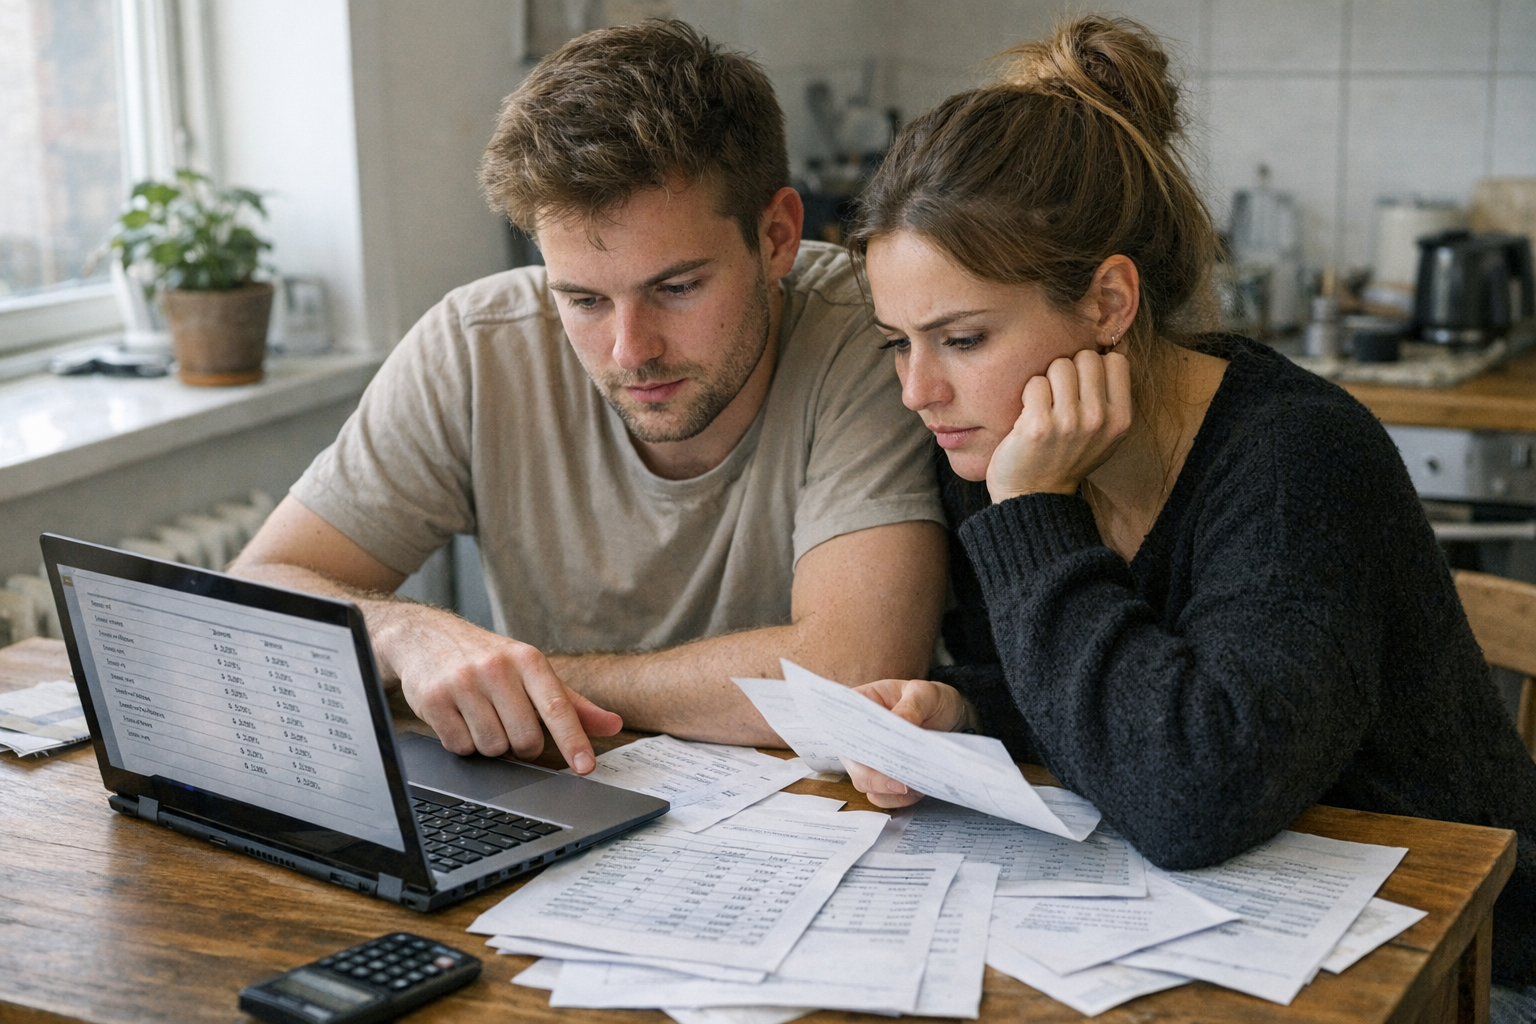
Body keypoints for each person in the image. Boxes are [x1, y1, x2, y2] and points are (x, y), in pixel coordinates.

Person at [841, 13, 1536, 1005]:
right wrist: (969, 710)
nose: (919, 391)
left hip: (1466, 968)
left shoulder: (1294, 458)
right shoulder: (989, 443)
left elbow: (1195, 793)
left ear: (1108, 303)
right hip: (1234, 944)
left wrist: (1033, 511)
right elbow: (1109, 698)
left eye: (961, 339)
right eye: (896, 343)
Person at [229, 21, 947, 776]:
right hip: (560, 796)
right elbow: (254, 589)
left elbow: (849, 676)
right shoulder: (477, 345)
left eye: (676, 288)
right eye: (582, 299)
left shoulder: (877, 331)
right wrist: (400, 635)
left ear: (776, 237)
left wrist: (532, 681)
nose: (630, 350)